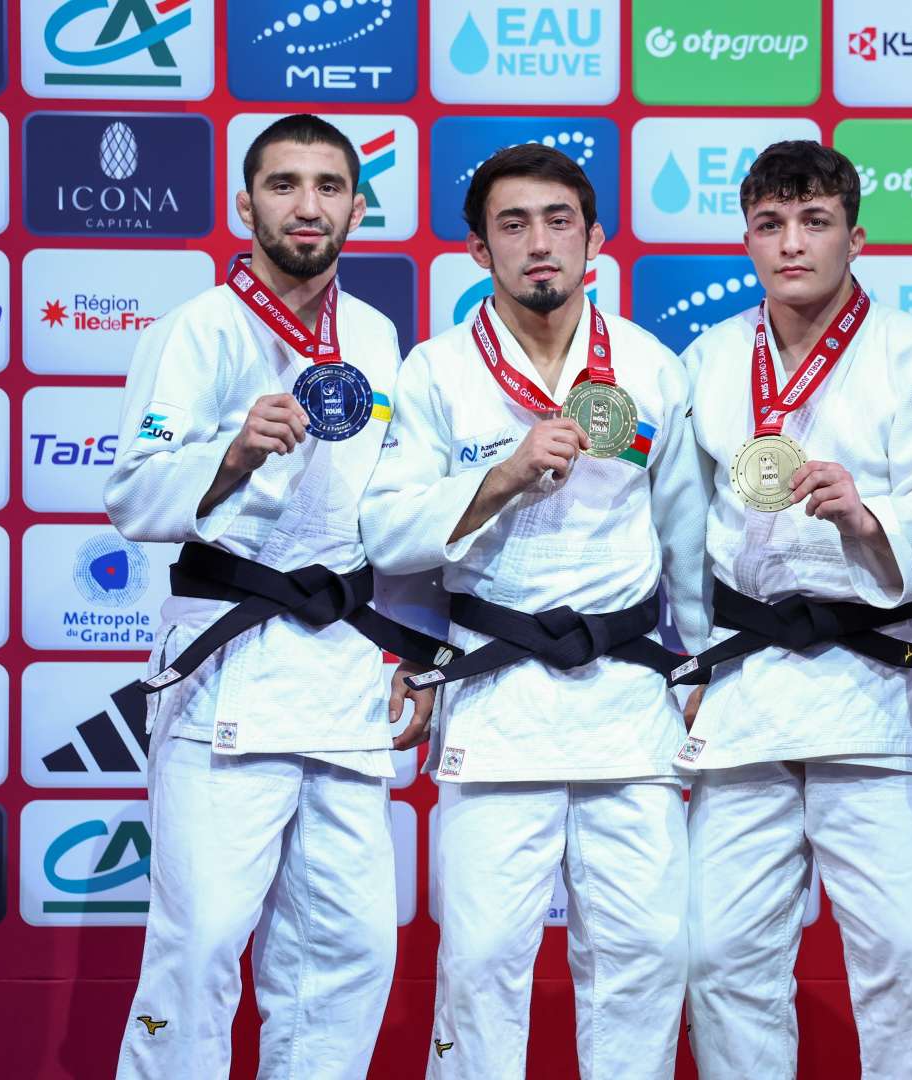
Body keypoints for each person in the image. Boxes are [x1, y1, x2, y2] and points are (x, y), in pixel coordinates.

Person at [105, 113, 453, 1080]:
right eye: (286, 184)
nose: (309, 206)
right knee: (204, 942)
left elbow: (397, 512)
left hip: (343, 669)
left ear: (355, 205)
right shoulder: (197, 333)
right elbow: (134, 494)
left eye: (330, 186)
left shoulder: (379, 340)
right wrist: (231, 452)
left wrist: (420, 654)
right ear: (244, 202)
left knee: (347, 956)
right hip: (230, 661)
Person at [359, 143, 711, 1080]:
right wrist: (503, 475)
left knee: (641, 963)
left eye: (559, 221)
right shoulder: (435, 372)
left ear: (595, 239)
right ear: (479, 250)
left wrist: (706, 661)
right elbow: (390, 534)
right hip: (497, 696)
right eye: (512, 225)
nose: (538, 243)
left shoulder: (646, 366)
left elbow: (685, 534)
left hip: (629, 705)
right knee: (479, 967)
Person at [673, 140, 912, 1080]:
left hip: (870, 685)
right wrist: (689, 666)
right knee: (721, 958)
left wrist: (868, 516)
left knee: (906, 963)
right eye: (770, 225)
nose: (791, 243)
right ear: (747, 240)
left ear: (856, 236)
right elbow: (681, 531)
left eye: (815, 222)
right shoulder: (712, 359)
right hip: (747, 690)